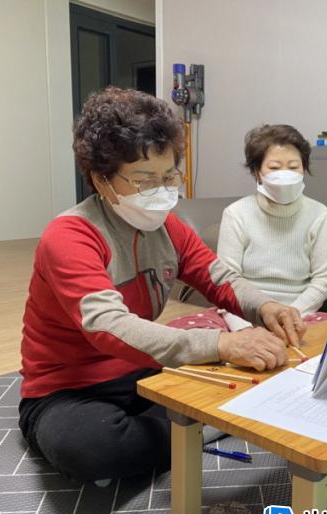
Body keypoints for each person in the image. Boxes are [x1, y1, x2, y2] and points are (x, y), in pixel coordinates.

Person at [18, 88, 306, 485]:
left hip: (143, 368)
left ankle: (185, 426)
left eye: (169, 176)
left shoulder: (168, 227)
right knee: (90, 448)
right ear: (101, 179)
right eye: (144, 180)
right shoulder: (69, 236)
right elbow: (109, 327)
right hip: (69, 388)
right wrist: (222, 344)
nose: (163, 189)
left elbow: (219, 278)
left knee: (250, 371)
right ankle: (201, 424)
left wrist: (266, 307)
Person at [217, 124, 327, 319]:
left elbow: (324, 281)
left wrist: (289, 316)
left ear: (303, 169)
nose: (285, 174)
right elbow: (226, 282)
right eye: (274, 168)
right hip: (245, 312)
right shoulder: (236, 214)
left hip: (300, 314)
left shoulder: (319, 214)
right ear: (257, 172)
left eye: (293, 167)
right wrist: (244, 327)